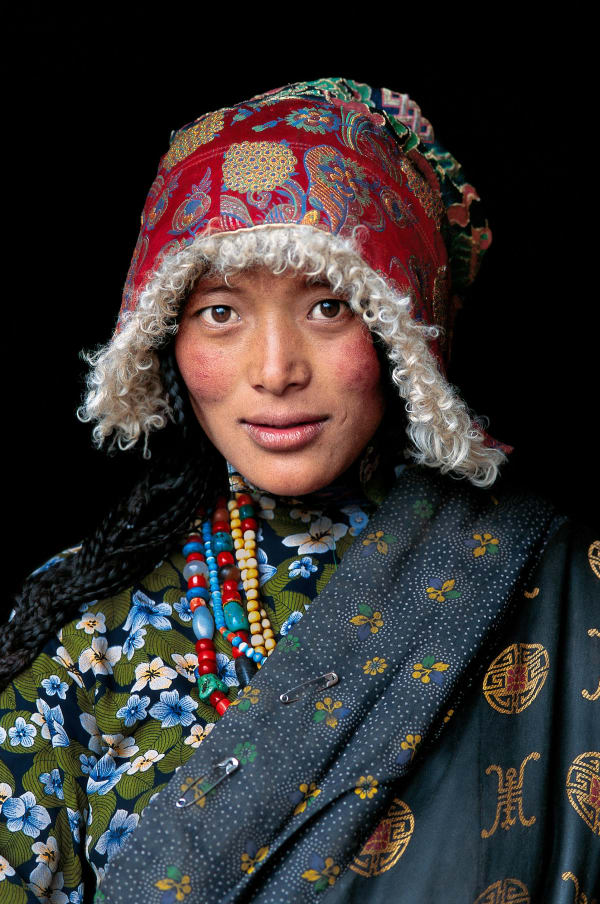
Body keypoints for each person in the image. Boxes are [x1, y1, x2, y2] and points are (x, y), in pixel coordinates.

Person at [0, 76, 597, 904]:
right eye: (220, 312)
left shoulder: (550, 589)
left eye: (328, 306)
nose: (276, 370)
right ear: (163, 335)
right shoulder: (79, 633)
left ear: (402, 328)